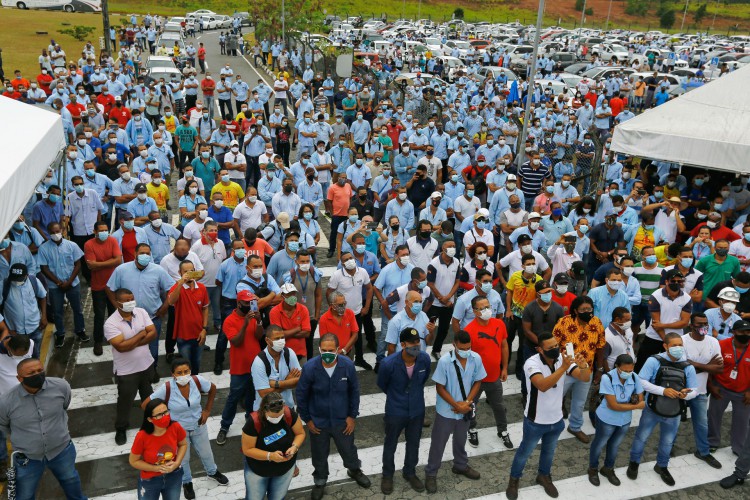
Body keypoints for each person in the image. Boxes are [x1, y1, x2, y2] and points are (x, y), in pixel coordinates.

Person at [505, 332, 592, 500]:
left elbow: (584, 377)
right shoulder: (532, 363)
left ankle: (543, 476)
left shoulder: (562, 358)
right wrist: (563, 368)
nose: (555, 349)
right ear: (539, 349)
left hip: (556, 418)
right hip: (535, 420)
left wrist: (583, 366)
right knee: (524, 452)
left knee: (549, 452)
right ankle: (514, 480)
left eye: (556, 345)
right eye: (550, 347)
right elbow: (542, 385)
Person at [296, 333, 370, 500]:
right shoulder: (309, 368)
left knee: (348, 449)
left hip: (342, 420)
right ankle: (320, 480)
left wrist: (352, 416)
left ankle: (354, 470)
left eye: (331, 350)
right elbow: (301, 395)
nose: (327, 354)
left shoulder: (347, 365)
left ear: (338, 349)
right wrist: (307, 419)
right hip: (318, 422)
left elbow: (354, 392)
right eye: (324, 350)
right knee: (319, 454)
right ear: (319, 349)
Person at [0, 358, 87, 499]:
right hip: (28, 458)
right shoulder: (6, 402)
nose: (37, 374)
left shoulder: (61, 386)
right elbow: (3, 426)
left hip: (61, 451)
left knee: (71, 482)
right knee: (25, 495)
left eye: (40, 370)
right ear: (20, 378)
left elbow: (65, 405)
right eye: (32, 372)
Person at [143, 358, 228, 499]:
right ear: (173, 374)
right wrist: (163, 420)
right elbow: (146, 404)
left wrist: (207, 410)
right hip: (178, 431)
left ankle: (212, 472)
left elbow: (212, 388)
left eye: (186, 371)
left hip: (198, 425)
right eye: (179, 372)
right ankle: (187, 482)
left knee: (206, 452)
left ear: (190, 371)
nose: (183, 375)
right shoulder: (167, 388)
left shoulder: (197, 381)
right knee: (183, 459)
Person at [627, 332, 698, 486]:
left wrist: (686, 395)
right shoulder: (654, 360)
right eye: (674, 345)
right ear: (665, 346)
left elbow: (694, 390)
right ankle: (634, 463)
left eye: (680, 345)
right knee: (641, 437)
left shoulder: (688, 366)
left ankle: (662, 466)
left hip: (674, 411)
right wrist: (663, 391)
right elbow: (641, 381)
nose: (678, 348)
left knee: (667, 442)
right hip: (652, 408)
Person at [424, 330, 484, 493]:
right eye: (462, 348)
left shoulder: (475, 358)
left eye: (468, 347)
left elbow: (478, 381)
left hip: (465, 408)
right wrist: (456, 406)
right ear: (454, 345)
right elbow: (440, 387)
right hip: (447, 411)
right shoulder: (445, 362)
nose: (466, 351)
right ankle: (431, 473)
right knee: (438, 443)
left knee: (460, 439)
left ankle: (460, 465)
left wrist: (466, 403)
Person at [377, 328, 431, 495]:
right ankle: (387, 475)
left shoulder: (424, 359)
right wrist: (397, 397)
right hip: (395, 410)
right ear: (403, 344)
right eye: (412, 343)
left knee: (414, 443)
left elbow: (423, 379)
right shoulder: (388, 363)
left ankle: (410, 472)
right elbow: (382, 384)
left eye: (417, 342)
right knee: (391, 443)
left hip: (416, 410)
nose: (416, 345)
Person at [104, 288, 158, 445]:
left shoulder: (141, 312)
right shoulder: (111, 323)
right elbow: (120, 347)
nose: (130, 303)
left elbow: (153, 333)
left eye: (132, 299)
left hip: (146, 365)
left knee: (149, 398)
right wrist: (141, 334)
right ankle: (121, 428)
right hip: (126, 371)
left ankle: (152, 422)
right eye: (127, 300)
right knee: (125, 402)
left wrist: (131, 343)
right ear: (118, 302)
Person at [552, 296, 605, 444]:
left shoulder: (596, 322)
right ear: (575, 310)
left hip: (585, 371)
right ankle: (549, 425)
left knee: (580, 402)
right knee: (554, 398)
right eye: (583, 309)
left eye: (589, 309)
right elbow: (553, 345)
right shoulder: (564, 322)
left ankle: (575, 427)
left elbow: (601, 346)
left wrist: (599, 369)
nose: (587, 312)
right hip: (565, 370)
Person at [588, 354, 644, 487]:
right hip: (607, 419)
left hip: (624, 420)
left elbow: (641, 398)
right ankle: (593, 469)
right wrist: (635, 406)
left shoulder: (635, 377)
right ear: (617, 367)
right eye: (625, 371)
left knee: (614, 445)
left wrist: (633, 404)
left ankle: (608, 468)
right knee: (599, 444)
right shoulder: (607, 378)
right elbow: (612, 405)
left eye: (630, 370)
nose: (628, 373)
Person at [464, 295, 513, 449]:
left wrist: (504, 368)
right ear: (474, 311)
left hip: (494, 377)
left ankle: (503, 431)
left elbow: (504, 346)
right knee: (471, 405)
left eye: (488, 307)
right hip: (475, 380)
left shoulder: (499, 324)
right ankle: (471, 428)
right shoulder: (469, 331)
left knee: (498, 405)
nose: (487, 310)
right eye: (482, 308)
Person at [217, 290, 264, 446]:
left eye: (251, 302)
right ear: (238, 303)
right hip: (239, 367)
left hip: (255, 365)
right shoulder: (229, 321)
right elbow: (236, 342)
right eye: (246, 303)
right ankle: (224, 426)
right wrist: (245, 324)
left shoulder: (253, 316)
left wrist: (258, 322)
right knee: (233, 397)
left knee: (253, 395)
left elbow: (259, 336)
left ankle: (250, 421)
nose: (250, 306)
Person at [241, 392, 306, 500]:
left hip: (285, 469)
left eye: (280, 415)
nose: (277, 419)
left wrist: (294, 447)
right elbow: (247, 449)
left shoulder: (289, 414)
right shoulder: (253, 422)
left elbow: (300, 433)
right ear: (264, 410)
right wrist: (270, 456)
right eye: (273, 417)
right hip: (258, 471)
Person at [682, 313, 724, 468]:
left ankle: (703, 452)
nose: (703, 327)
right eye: (699, 324)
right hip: (682, 390)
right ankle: (667, 450)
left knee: (702, 424)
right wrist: (708, 366)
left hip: (700, 390)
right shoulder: (682, 341)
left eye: (705, 323)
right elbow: (682, 369)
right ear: (691, 325)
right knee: (673, 423)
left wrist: (695, 365)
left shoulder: (713, 342)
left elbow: (719, 367)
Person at [39, 221, 89, 348]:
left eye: (57, 231)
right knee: (57, 311)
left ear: (62, 230)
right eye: (52, 232)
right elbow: (44, 268)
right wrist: (57, 282)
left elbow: (78, 264)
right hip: (55, 286)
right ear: (48, 233)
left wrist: (70, 281)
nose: (56, 234)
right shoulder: (44, 248)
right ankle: (60, 334)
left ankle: (80, 330)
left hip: (73, 283)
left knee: (77, 309)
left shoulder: (72, 245)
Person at [129, 398, 188, 500]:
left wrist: (177, 463)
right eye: (159, 415)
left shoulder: (175, 427)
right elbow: (134, 461)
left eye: (166, 412)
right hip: (150, 480)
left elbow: (183, 444)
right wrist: (157, 469)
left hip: (173, 476)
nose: (164, 417)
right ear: (150, 419)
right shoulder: (142, 436)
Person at [635, 269, 693, 373]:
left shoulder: (687, 298)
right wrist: (666, 341)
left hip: (676, 339)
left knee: (672, 368)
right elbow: (656, 324)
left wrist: (664, 325)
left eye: (679, 281)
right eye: (673, 281)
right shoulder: (656, 296)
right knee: (642, 365)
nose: (676, 283)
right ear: (666, 282)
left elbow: (684, 323)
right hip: (654, 337)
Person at [707, 320, 750, 457]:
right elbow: (710, 367)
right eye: (742, 332)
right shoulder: (721, 345)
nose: (746, 334)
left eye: (748, 332)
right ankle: (713, 442)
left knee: (742, 422)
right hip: (721, 388)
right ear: (733, 332)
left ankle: (738, 448)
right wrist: (712, 386)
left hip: (744, 393)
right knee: (714, 416)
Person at [84, 221, 122, 355]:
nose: (104, 232)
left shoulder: (112, 241)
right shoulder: (89, 244)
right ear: (95, 232)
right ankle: (98, 341)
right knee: (99, 315)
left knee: (115, 313)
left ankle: (113, 336)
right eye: (101, 230)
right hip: (98, 286)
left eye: (106, 229)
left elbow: (118, 260)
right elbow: (90, 266)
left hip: (114, 285)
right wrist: (110, 262)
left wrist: (99, 264)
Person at [167, 260, 209, 374]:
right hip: (183, 335)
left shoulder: (202, 288)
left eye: (191, 271)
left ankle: (195, 384)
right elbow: (171, 301)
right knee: (186, 364)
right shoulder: (176, 288)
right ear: (180, 272)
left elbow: (205, 308)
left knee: (197, 362)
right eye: (186, 271)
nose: (189, 273)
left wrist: (204, 329)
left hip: (199, 334)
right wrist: (180, 283)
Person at [251, 325, 302, 411]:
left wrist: (277, 383)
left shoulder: (289, 353)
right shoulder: (259, 362)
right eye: (277, 338)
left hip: (288, 408)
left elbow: (300, 379)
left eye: (282, 337)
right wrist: (288, 381)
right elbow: (264, 394)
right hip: (266, 411)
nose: (281, 341)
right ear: (267, 340)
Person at [0, 263, 46, 358]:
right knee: (18, 358)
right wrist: (7, 329)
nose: (16, 281)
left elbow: (42, 297)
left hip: (34, 328)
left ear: (26, 275)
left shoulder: (34, 281)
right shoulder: (3, 286)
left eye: (19, 279)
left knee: (35, 354)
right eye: (14, 278)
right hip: (15, 332)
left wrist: (44, 317)